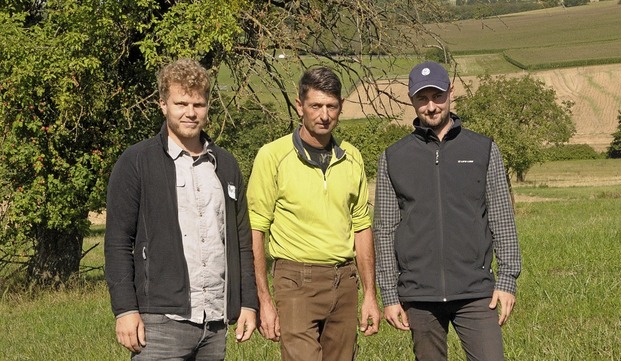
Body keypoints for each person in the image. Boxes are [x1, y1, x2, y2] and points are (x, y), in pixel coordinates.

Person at [104, 58, 257, 360]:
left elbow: (241, 241)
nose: (190, 112)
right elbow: (118, 241)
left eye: (198, 104)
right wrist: (125, 309)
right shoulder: (137, 161)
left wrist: (248, 303)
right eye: (181, 103)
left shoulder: (224, 165)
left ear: (208, 106)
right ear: (163, 104)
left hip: (214, 324)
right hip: (159, 323)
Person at [374, 61, 522, 361]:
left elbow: (502, 219)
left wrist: (507, 280)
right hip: (419, 295)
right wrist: (389, 294)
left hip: (477, 292)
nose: (431, 106)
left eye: (437, 96)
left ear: (450, 92)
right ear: (411, 99)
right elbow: (385, 230)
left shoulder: (483, 150)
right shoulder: (393, 157)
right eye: (422, 98)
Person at [247, 66, 380, 361]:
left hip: (344, 280)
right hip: (295, 280)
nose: (324, 115)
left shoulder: (352, 157)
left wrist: (370, 294)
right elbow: (256, 228)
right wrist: (263, 298)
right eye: (316, 106)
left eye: (331, 106)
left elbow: (361, 227)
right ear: (300, 106)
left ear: (341, 107)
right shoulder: (272, 156)